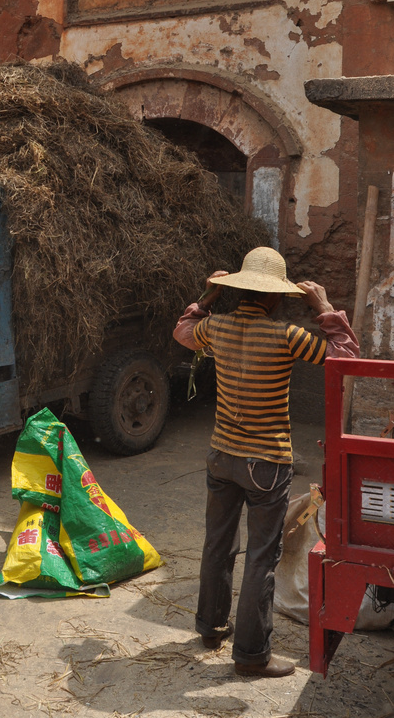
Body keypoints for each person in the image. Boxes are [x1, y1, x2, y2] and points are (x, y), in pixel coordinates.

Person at [173, 246, 359, 679]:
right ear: (275, 296)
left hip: (222, 455)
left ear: (237, 288)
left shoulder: (214, 326)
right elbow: (346, 360)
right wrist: (326, 308)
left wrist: (208, 296)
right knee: (261, 557)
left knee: (217, 545)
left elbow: (183, 330)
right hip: (267, 463)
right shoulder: (286, 335)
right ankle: (252, 655)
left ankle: (211, 628)